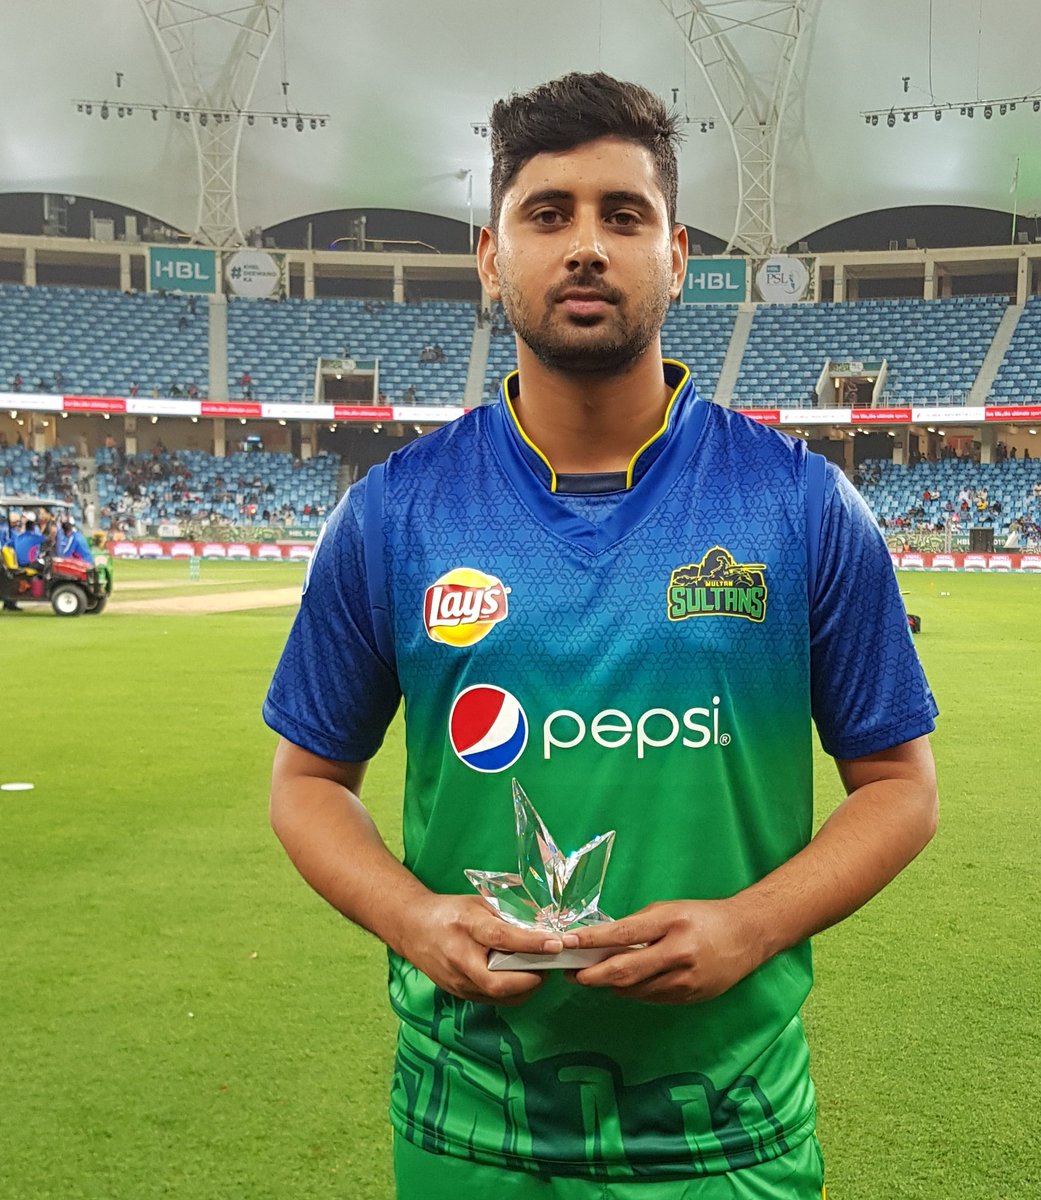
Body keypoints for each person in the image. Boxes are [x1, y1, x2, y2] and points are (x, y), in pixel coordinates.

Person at [263, 72, 938, 1200]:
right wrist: (413, 916)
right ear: (493, 258)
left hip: (728, 1133)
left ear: (676, 257)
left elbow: (901, 787)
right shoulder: (393, 514)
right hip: (466, 1127)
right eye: (548, 214)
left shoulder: (804, 505)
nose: (586, 245)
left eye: (623, 215)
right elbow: (306, 782)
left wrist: (749, 927)